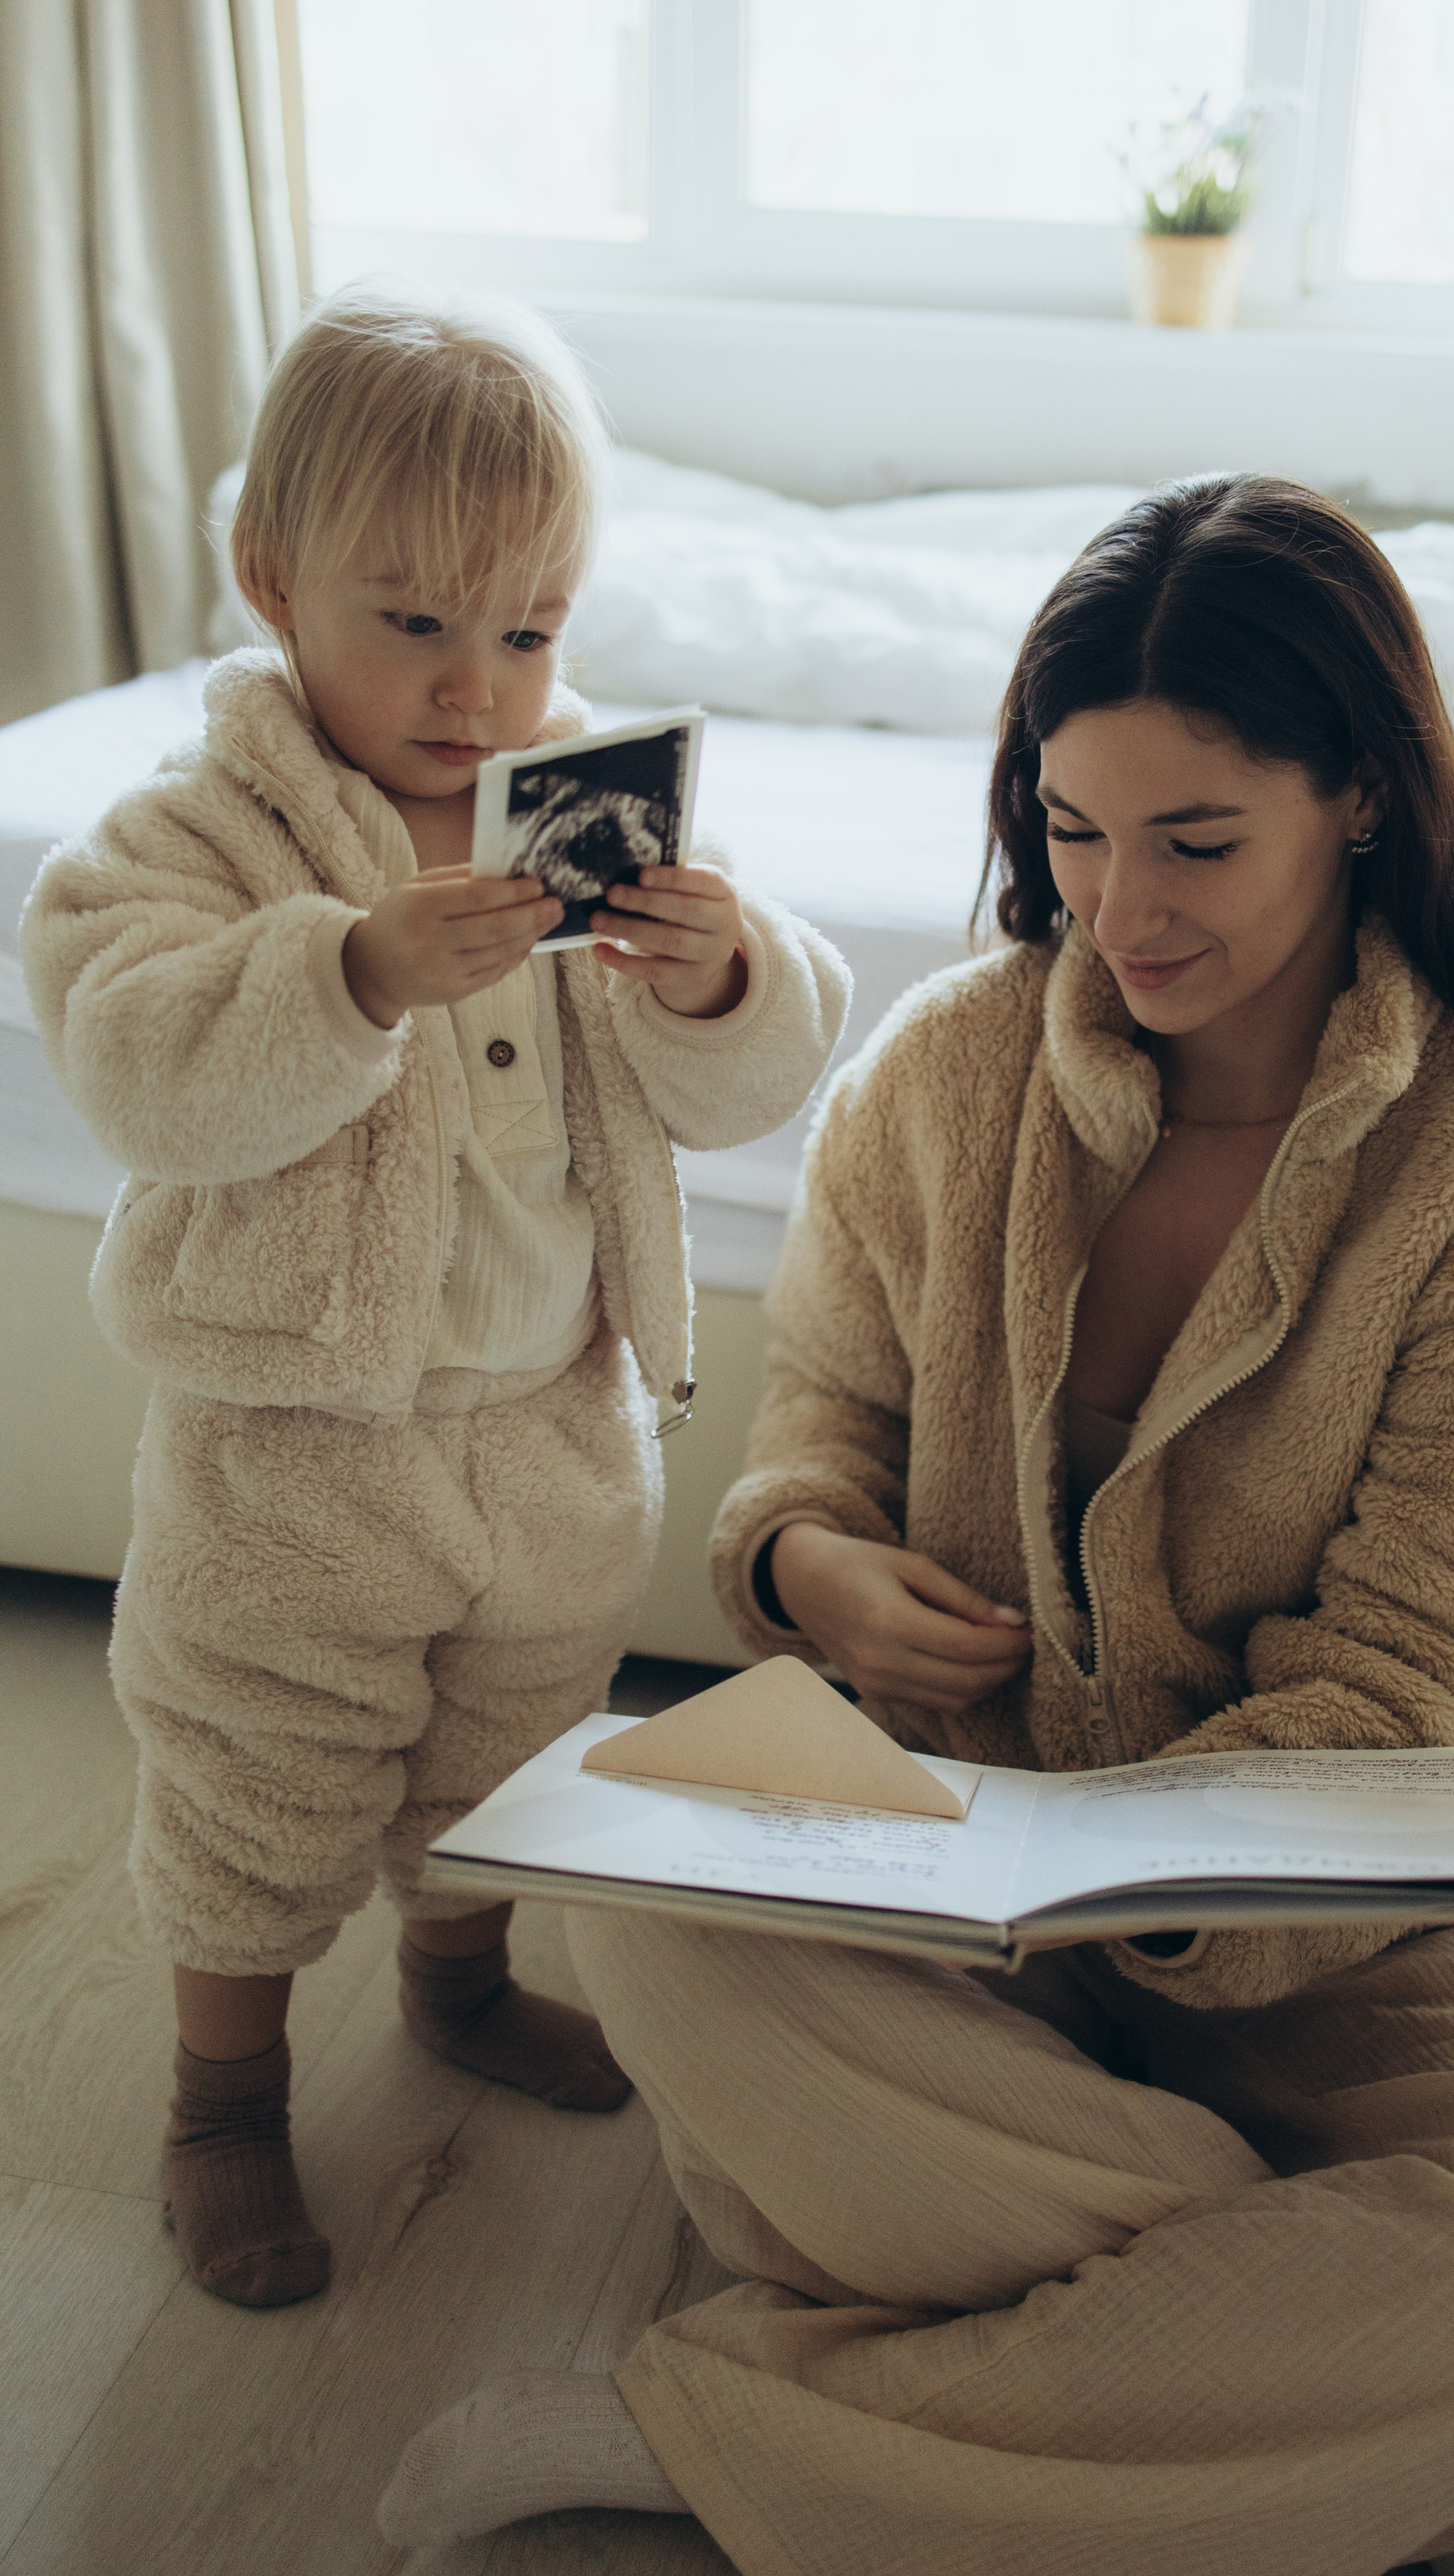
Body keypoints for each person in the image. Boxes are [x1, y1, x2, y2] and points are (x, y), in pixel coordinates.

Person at [377, 477, 1454, 2575]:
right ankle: (1363, 2402)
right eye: (1073, 827)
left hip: (1317, 1948)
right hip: (924, 1859)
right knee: (648, 1921)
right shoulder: (948, 1070)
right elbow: (812, 1443)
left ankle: (715, 2429)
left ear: (1366, 801)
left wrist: (1130, 1874)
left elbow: (1448, 1691)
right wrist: (815, 1571)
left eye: (1198, 840)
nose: (1120, 908)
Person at [19, 284, 850, 2312]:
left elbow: (746, 1079)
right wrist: (353, 974)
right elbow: (130, 1052)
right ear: (269, 578)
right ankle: (223, 2096)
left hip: (555, 1418)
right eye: (413, 624)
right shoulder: (188, 838)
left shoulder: (592, 813)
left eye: (532, 629)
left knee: (509, 1743)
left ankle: (458, 1979)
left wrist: (727, 975)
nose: (480, 688)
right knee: (259, 1772)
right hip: (295, 1447)